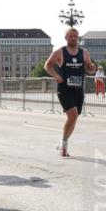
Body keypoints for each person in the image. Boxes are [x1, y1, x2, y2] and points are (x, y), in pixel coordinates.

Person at [44, 28, 96, 157]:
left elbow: (89, 69)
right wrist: (57, 76)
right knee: (72, 116)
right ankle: (64, 145)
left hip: (78, 89)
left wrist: (92, 68)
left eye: (75, 36)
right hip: (64, 89)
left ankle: (63, 141)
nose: (73, 38)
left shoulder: (84, 53)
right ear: (66, 37)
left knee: (74, 118)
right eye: (71, 36)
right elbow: (48, 65)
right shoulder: (60, 52)